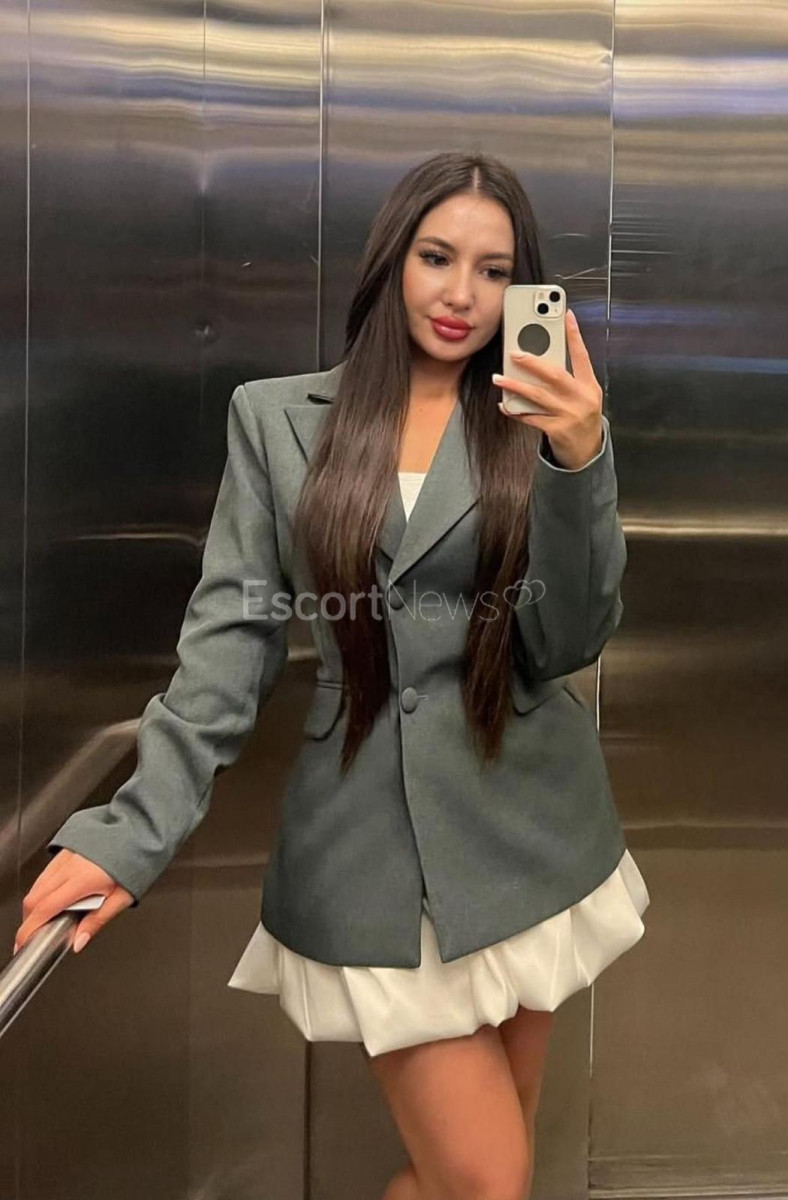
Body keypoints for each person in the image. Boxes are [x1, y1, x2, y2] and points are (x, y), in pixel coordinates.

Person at [14, 150, 649, 1200]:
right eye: (436, 256)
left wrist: (578, 463)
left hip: (533, 832)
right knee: (489, 1181)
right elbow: (228, 643)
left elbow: (568, 640)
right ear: (391, 259)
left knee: (471, 1180)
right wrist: (131, 831)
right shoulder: (277, 419)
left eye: (494, 270)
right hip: (367, 852)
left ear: (521, 286)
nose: (460, 293)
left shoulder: (534, 418)